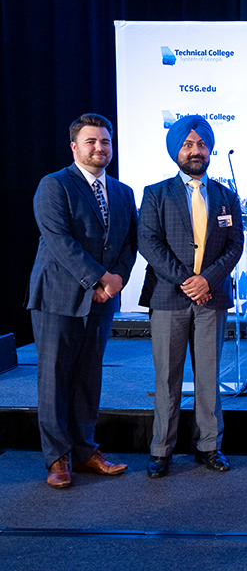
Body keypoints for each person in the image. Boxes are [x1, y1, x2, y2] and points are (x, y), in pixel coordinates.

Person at [28, 113, 138, 488]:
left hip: (103, 298)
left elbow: (128, 244)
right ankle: (57, 459)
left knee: (89, 378)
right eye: (91, 142)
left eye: (105, 142)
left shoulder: (123, 192)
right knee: (55, 378)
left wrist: (117, 279)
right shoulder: (54, 185)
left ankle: (86, 450)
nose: (99, 148)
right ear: (75, 147)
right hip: (59, 295)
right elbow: (60, 241)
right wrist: (100, 277)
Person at [138, 115, 244, 478]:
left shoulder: (227, 196)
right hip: (169, 297)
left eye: (201, 144)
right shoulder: (156, 193)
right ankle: (161, 450)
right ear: (175, 150)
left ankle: (209, 446)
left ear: (210, 149)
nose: (195, 151)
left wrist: (207, 281)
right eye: (188, 144)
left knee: (208, 376)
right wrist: (188, 280)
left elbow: (235, 245)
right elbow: (148, 243)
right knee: (167, 378)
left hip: (211, 299)